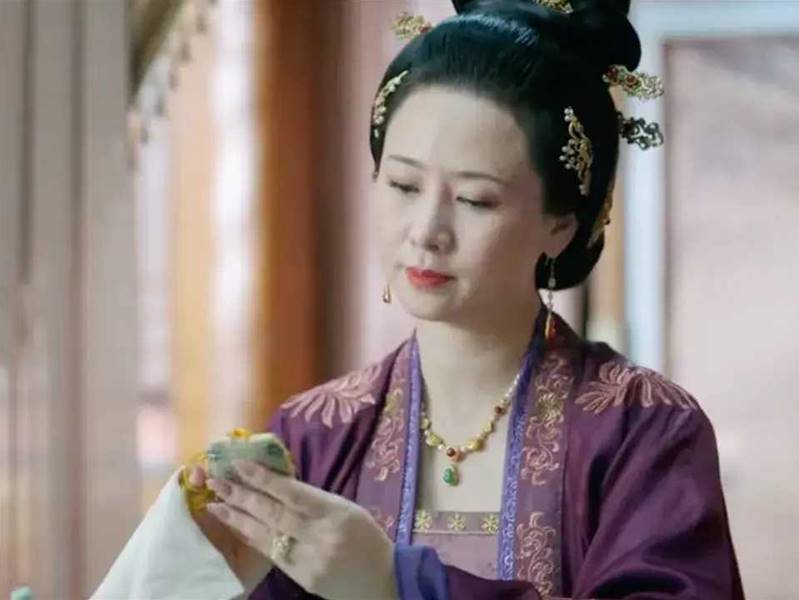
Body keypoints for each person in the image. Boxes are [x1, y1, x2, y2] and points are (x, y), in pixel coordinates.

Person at [185, 0, 744, 598]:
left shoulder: (643, 430)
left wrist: (395, 582)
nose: (426, 231)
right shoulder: (317, 436)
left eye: (475, 199)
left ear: (560, 225)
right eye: (403, 185)